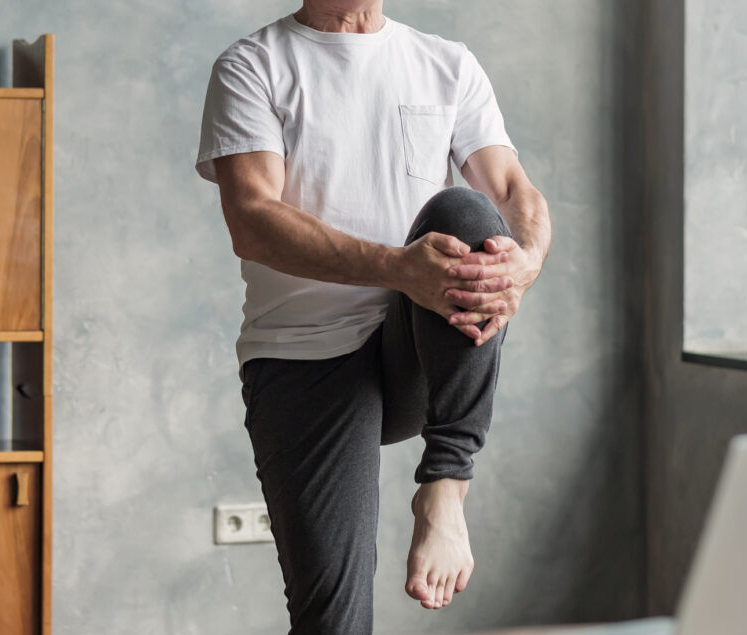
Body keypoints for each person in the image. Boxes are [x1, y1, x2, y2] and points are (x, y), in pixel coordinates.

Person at [195, 1, 550, 632]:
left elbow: (512, 193)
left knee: (467, 217)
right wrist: (400, 267)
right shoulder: (252, 66)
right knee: (332, 619)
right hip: (301, 355)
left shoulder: (447, 64)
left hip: (416, 344)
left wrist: (523, 263)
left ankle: (446, 482)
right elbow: (253, 220)